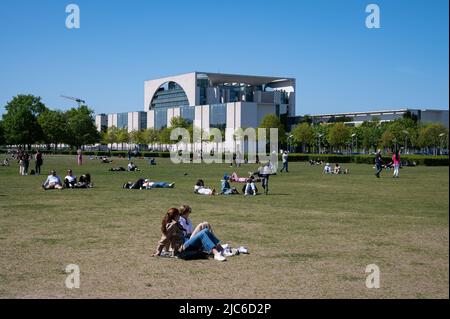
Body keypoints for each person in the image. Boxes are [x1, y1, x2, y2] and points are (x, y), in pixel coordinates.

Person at [152, 208, 229, 261]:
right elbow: (164, 239)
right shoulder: (171, 225)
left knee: (205, 230)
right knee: (202, 233)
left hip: (185, 242)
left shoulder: (176, 223)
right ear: (176, 216)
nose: (180, 216)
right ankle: (216, 254)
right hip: (181, 248)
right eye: (178, 215)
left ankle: (221, 249)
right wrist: (158, 252)